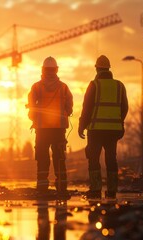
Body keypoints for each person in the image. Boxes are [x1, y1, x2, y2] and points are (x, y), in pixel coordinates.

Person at [78, 55, 128, 200]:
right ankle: (112, 191)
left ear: (97, 68)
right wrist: (119, 122)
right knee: (111, 159)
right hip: (113, 130)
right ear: (108, 68)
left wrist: (82, 126)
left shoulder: (94, 85)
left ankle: (95, 189)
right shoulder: (119, 85)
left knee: (93, 159)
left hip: (96, 130)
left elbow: (86, 108)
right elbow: (124, 107)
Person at [27, 56, 73, 199]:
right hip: (59, 130)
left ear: (43, 70)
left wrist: (34, 118)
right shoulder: (63, 87)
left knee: (42, 157)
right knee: (59, 158)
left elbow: (31, 108)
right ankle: (62, 187)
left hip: (42, 130)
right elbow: (69, 108)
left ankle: (42, 187)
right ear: (56, 70)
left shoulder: (36, 87)